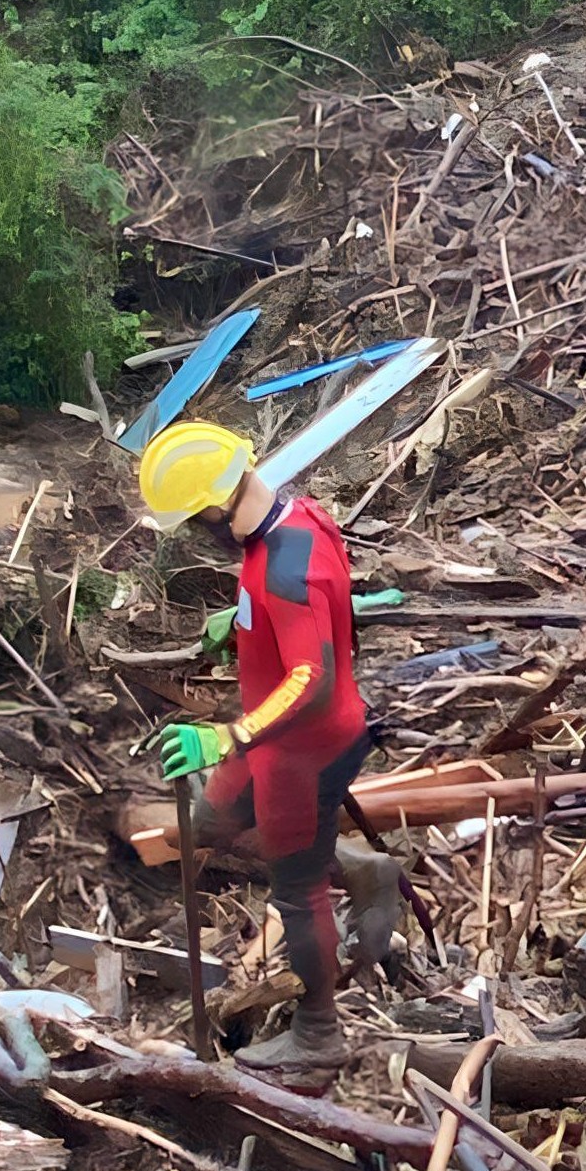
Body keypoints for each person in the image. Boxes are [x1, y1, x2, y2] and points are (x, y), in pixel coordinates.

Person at [137, 421, 400, 1073]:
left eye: (196, 520)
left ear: (216, 505)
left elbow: (312, 680)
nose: (199, 533)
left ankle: (317, 1035)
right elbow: (321, 616)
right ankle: (359, 866)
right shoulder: (295, 521)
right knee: (209, 821)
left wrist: (227, 734)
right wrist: (245, 625)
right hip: (272, 736)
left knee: (296, 888)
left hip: (300, 748)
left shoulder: (285, 567)